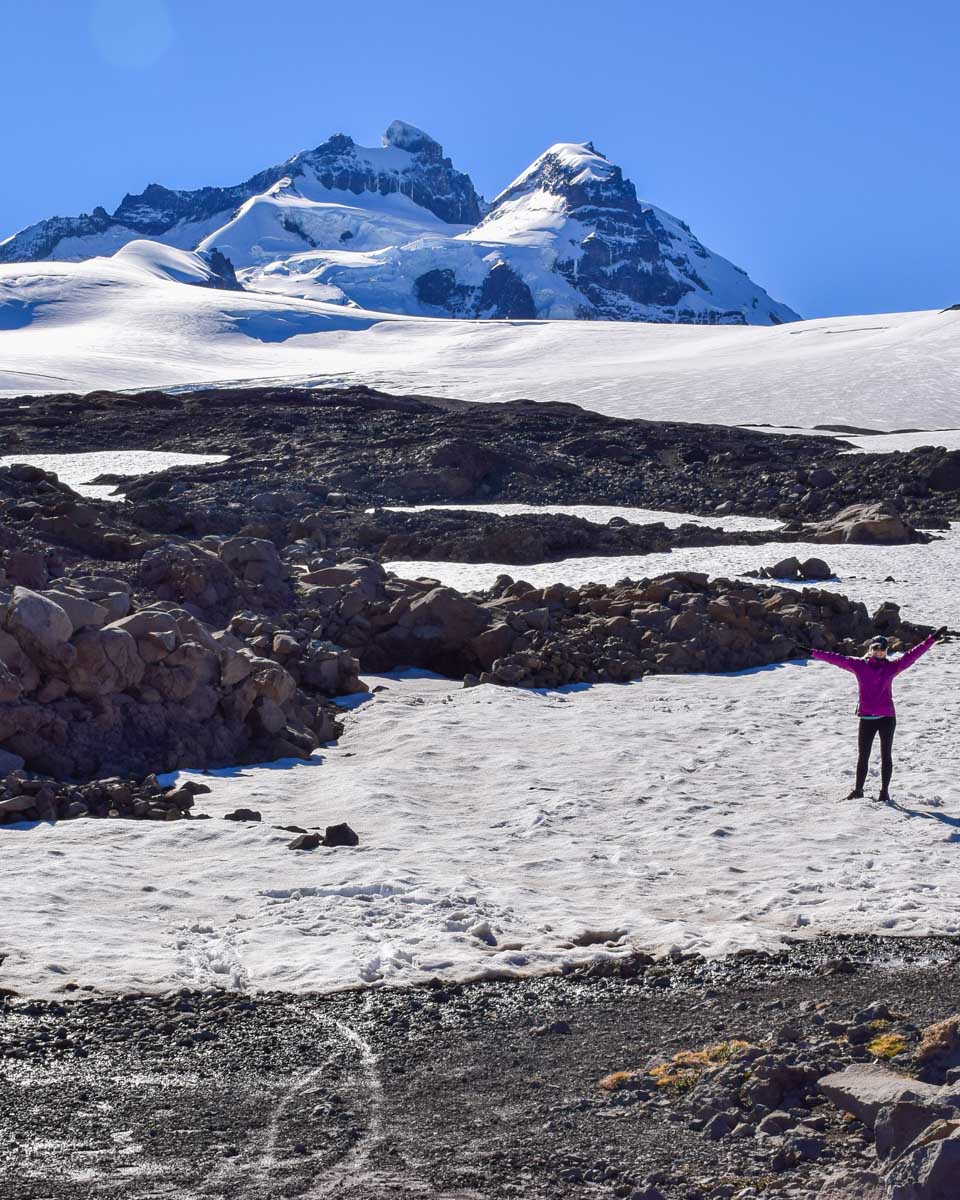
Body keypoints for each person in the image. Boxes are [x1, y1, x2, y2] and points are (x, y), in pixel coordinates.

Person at [797, 627, 948, 802]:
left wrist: (932, 639)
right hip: (867, 718)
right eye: (875, 649)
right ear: (871, 649)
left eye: (882, 649)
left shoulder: (892, 667)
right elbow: (836, 659)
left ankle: (884, 792)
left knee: (886, 755)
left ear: (886, 651)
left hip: (887, 719)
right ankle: (859, 790)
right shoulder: (859, 666)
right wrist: (812, 652)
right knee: (863, 756)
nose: (878, 652)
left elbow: (912, 655)